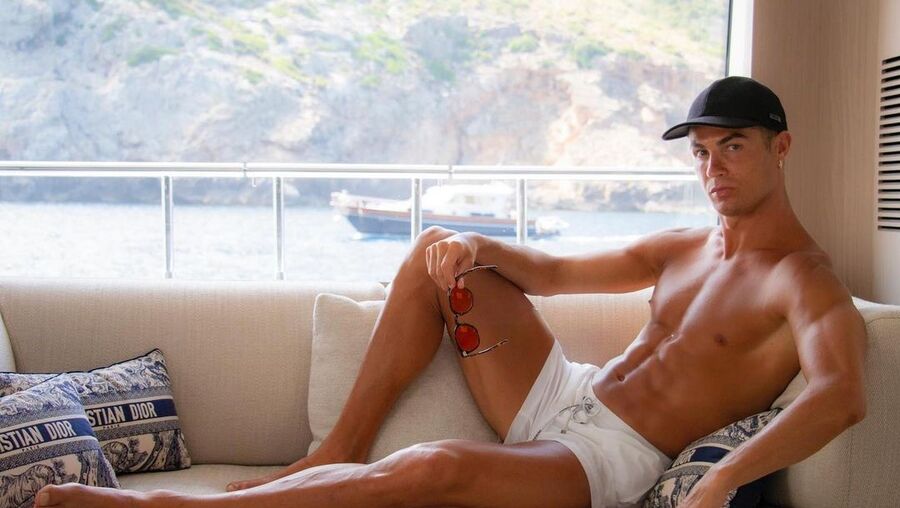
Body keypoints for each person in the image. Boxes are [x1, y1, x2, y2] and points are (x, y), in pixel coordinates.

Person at [34, 76, 867, 508]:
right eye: (701, 154)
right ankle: (337, 449)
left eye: (733, 148)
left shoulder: (805, 281)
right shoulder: (684, 246)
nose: (713, 169)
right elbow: (552, 274)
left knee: (432, 466)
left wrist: (721, 480)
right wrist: (475, 245)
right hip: (569, 396)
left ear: (781, 147)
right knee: (437, 248)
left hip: (612, 457)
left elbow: (841, 395)